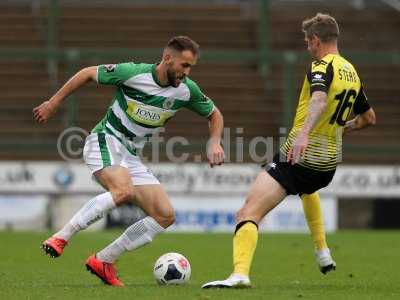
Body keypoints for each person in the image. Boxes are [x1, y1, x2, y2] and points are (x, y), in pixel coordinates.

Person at [33, 36, 225, 287]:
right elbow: (88, 73)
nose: (187, 72)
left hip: (130, 155)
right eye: (184, 65)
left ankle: (104, 260)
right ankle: (62, 236)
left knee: (165, 215)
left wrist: (214, 141)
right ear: (168, 58)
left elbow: (214, 114)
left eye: (191, 67)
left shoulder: (186, 90)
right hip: (104, 140)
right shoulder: (133, 73)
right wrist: (53, 102)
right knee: (122, 191)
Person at [202, 13, 376, 289]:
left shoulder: (321, 66)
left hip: (299, 159)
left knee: (247, 213)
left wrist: (304, 135)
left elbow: (318, 99)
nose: (307, 47)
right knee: (308, 188)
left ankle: (240, 274)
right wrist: (342, 128)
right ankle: (322, 252)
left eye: (308, 42)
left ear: (316, 41)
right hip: (327, 166)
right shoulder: (352, 72)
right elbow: (369, 118)